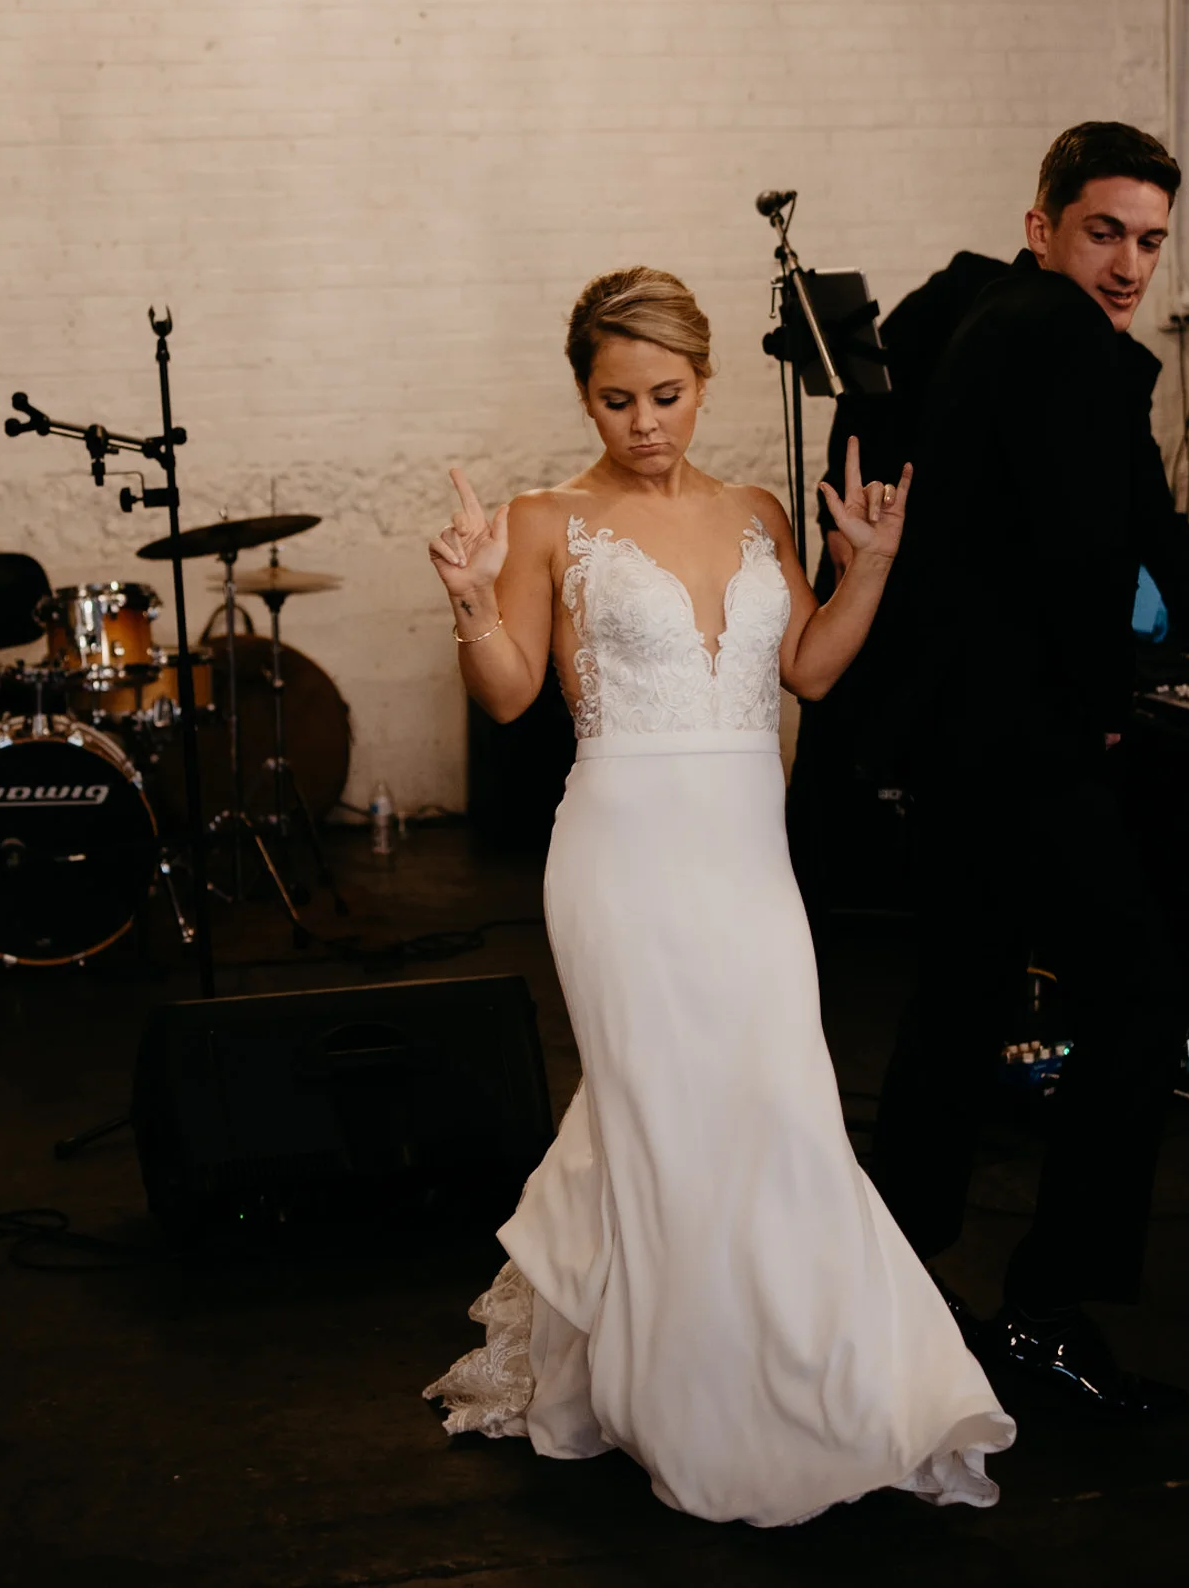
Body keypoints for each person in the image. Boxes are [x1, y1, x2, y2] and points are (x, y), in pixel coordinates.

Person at [419, 267, 1013, 1527]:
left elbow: (807, 668)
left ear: (703, 383)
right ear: (583, 396)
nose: (644, 423)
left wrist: (871, 570)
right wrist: (471, 596)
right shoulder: (546, 518)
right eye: (616, 399)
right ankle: (683, 1393)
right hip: (619, 858)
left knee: (779, 1106)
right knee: (659, 1116)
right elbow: (509, 694)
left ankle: (802, 1364)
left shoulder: (755, 511)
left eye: (667, 394)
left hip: (748, 862)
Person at [867, 123, 1189, 1422]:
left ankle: (880, 1288)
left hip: (962, 732)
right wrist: (1108, 708)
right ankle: (1045, 1312)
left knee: (961, 1000)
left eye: (1150, 240)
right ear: (1041, 225)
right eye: (1105, 231)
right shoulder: (1049, 332)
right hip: (1022, 739)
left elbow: (1139, 494)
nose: (1129, 265)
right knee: (1138, 996)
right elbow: (1082, 546)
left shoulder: (995, 316)